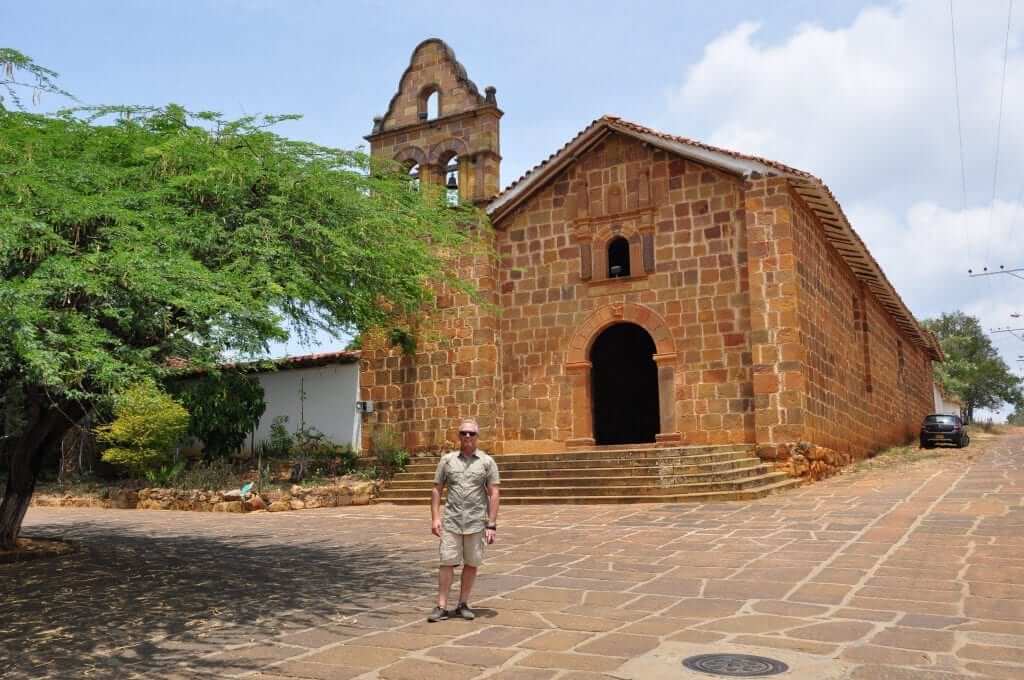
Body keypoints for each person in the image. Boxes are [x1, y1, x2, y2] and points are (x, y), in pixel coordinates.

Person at [428, 417, 500, 622]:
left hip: (476, 522)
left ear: (478, 436)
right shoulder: (447, 460)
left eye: (471, 433)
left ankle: (463, 603)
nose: (467, 436)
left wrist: (492, 524)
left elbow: (494, 493)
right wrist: (435, 518)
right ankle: (441, 606)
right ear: (458, 436)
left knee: (471, 563)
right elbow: (437, 489)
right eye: (463, 433)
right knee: (447, 562)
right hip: (451, 520)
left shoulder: (487, 462)